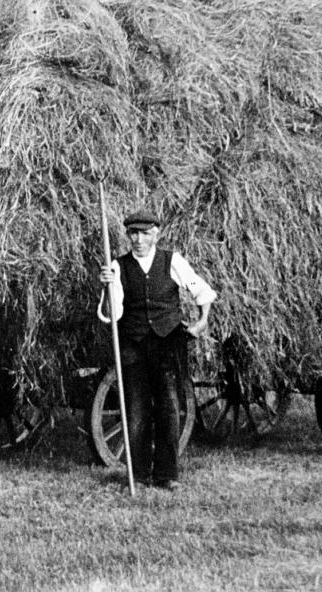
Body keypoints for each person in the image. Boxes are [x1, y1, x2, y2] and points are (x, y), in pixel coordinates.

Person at [98, 210, 215, 489]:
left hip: (168, 342)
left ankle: (167, 475)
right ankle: (137, 475)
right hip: (134, 345)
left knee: (169, 407)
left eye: (144, 233)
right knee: (136, 409)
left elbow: (202, 291)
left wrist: (202, 322)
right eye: (133, 234)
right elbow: (111, 314)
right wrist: (106, 288)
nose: (138, 239)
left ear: (156, 234)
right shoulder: (117, 267)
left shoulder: (171, 261)